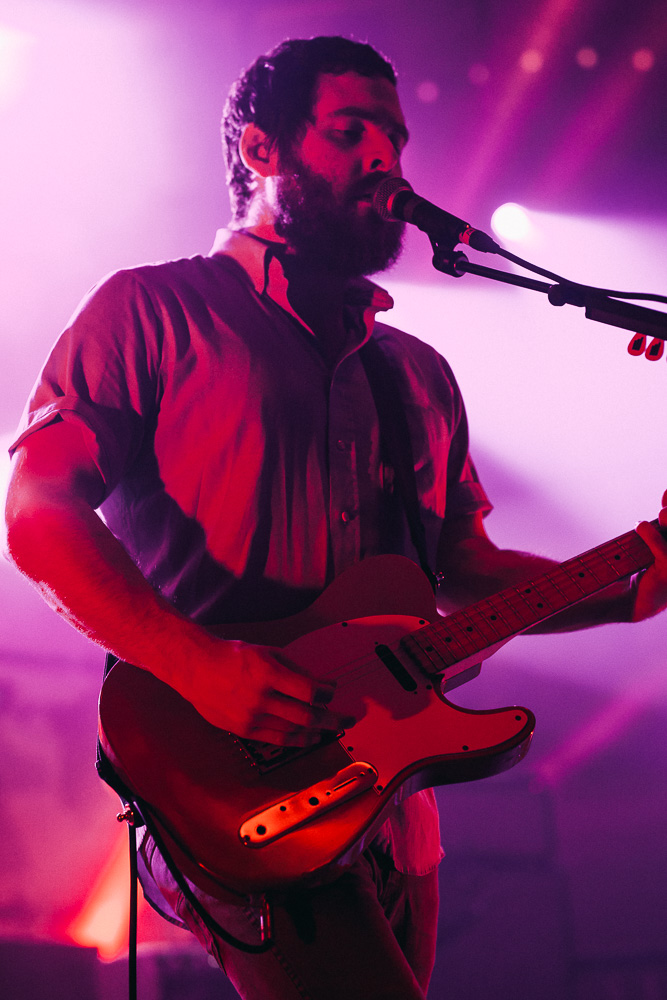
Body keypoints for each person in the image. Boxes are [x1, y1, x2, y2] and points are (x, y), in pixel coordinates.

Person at [3, 35, 667, 1000]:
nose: (383, 156)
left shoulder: (419, 374)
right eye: (349, 131)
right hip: (234, 767)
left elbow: (467, 572)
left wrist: (639, 581)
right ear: (260, 148)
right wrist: (198, 664)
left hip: (395, 797)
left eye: (393, 138)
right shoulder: (151, 309)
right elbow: (36, 509)